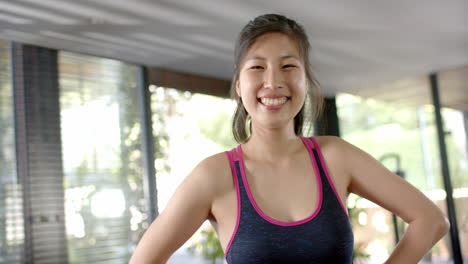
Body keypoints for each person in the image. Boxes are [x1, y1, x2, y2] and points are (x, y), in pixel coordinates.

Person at [129, 14, 449, 264]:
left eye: (288, 66)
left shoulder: (336, 157)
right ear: (239, 85)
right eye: (257, 67)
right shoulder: (214, 176)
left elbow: (431, 220)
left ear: (305, 81)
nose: (273, 81)